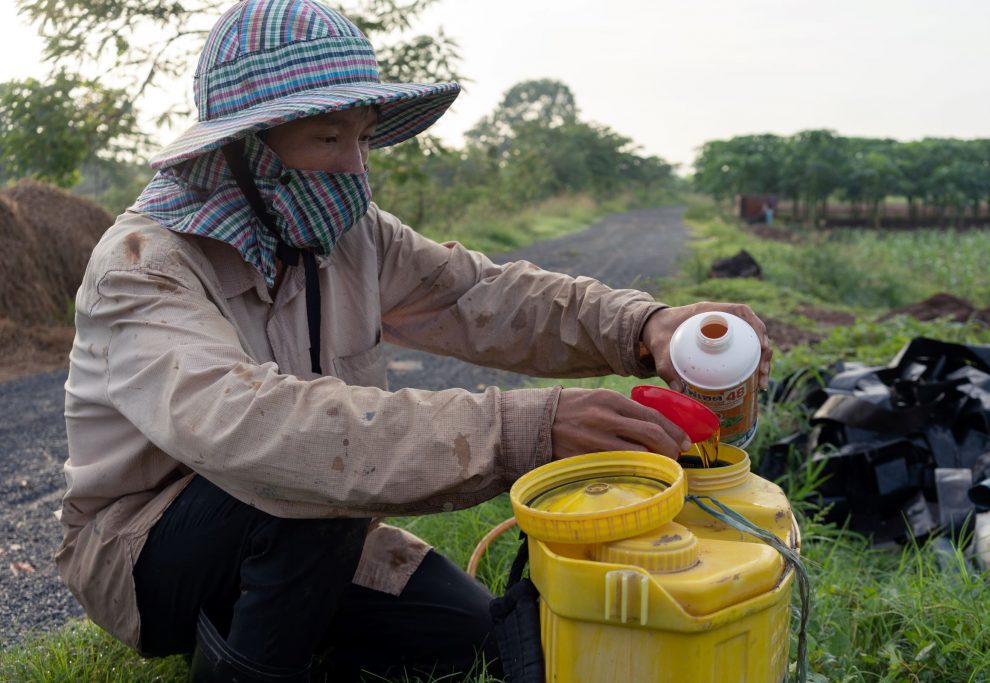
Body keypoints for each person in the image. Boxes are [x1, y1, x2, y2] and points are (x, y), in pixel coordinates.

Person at [56, 0, 773, 681]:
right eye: (329, 138)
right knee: (309, 489)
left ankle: (295, 635)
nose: (356, 166)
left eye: (363, 136)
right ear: (248, 149)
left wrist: (643, 326)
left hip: (314, 520)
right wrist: (527, 427)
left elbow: (480, 295)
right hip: (147, 549)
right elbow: (257, 430)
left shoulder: (349, 233)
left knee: (478, 637)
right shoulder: (144, 265)